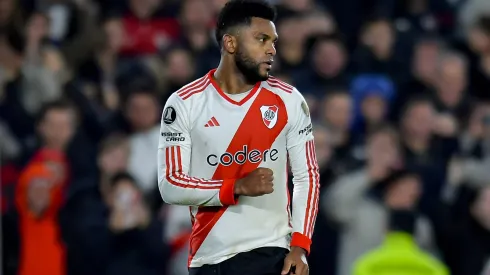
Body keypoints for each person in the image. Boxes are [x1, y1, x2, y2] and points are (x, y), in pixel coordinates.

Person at [157, 1, 320, 275]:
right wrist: (235, 187)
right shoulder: (184, 103)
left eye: (274, 41)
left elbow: (308, 176)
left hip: (271, 253)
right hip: (208, 257)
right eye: (261, 39)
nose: (272, 49)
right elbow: (170, 184)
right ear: (230, 43)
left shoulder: (288, 99)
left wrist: (300, 246)